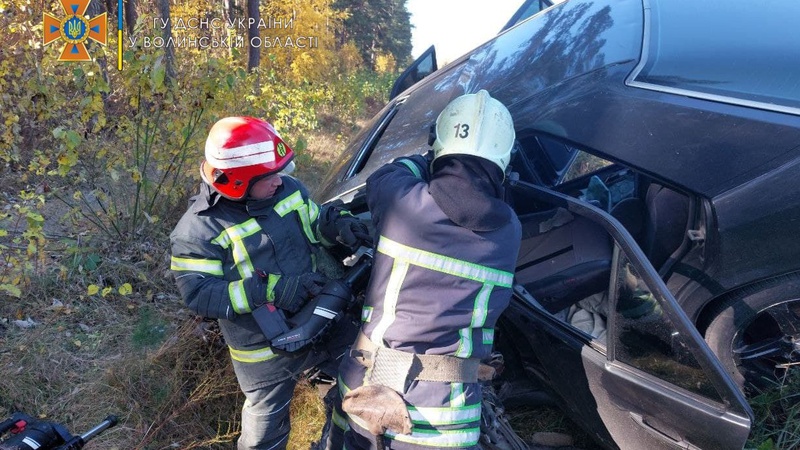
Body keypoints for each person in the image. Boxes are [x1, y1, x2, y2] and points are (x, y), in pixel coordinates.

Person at [327, 90, 522, 450]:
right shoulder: (510, 230)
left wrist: (431, 159)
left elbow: (393, 171)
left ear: (440, 147)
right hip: (446, 416)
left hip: (367, 389)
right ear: (503, 159)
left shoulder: (402, 199)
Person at [170, 116, 367, 450]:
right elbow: (198, 293)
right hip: (263, 350)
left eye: (280, 171)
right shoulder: (197, 231)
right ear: (235, 182)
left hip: (322, 318)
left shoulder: (289, 190)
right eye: (269, 176)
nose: (279, 181)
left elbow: (315, 223)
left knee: (355, 397)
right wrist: (271, 291)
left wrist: (338, 228)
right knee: (265, 433)